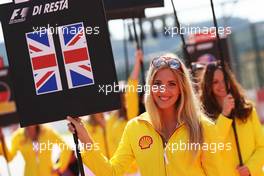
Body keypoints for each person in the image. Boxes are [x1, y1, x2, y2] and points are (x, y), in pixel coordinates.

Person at [67, 54, 225, 176]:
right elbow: (111, 172)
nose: (163, 90)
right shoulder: (135, 127)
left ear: (182, 89)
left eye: (171, 84)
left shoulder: (203, 127)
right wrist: (85, 139)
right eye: (157, 84)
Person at [200, 63, 264, 176]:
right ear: (208, 86)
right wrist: (224, 115)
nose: (222, 85)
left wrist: (250, 168)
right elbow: (212, 149)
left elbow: (262, 146)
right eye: (215, 82)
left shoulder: (247, 110)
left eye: (224, 79)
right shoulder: (204, 118)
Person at [5, 125, 72, 176]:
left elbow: (66, 148)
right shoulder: (18, 136)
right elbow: (9, 157)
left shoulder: (48, 132)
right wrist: (1, 142)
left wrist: (60, 167)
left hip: (49, 173)